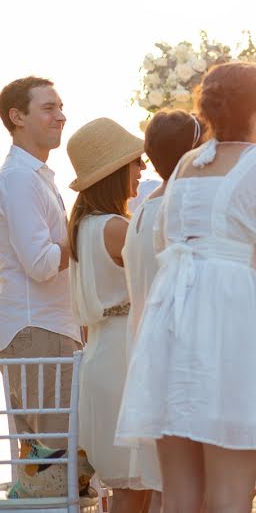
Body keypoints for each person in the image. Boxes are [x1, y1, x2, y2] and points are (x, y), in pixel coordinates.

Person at [116, 61, 256, 513]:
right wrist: (254, 332)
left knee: (180, 496)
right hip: (230, 320)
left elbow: (168, 244)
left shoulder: (187, 164)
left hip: (170, 322)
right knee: (229, 494)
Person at [121, 109, 207, 510]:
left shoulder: (142, 209)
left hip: (147, 357)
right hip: (178, 364)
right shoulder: (178, 210)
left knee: (165, 490)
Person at [66, 118, 149, 511]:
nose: (143, 170)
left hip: (103, 352)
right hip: (124, 358)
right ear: (116, 172)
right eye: (136, 163)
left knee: (126, 486)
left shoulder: (83, 225)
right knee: (135, 486)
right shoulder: (118, 228)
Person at [0, 76, 81, 449]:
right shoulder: (19, 178)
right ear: (17, 116)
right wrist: (80, 236)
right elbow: (42, 263)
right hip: (38, 329)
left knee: (48, 464)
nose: (61, 116)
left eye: (61, 107)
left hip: (44, 329)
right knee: (52, 462)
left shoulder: (35, 177)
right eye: (49, 108)